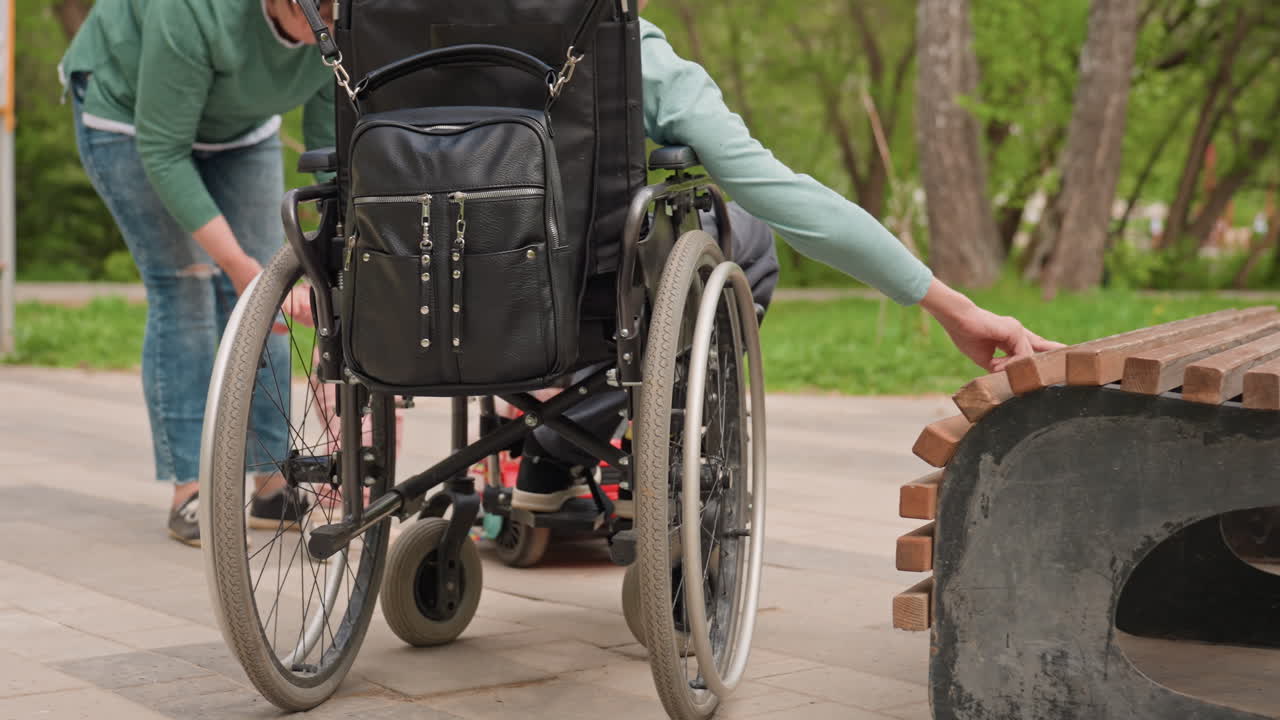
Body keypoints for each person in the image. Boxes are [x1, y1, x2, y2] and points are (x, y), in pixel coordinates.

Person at [508, 3, 1063, 512]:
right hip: (589, 288)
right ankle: (611, 443)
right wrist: (955, 308)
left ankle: (548, 451)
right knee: (745, 235)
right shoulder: (632, 57)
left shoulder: (422, 36)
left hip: (449, 298)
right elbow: (786, 198)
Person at [61, 0, 330, 546]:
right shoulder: (193, 8)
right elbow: (163, 149)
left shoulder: (342, 23)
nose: (330, 21)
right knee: (183, 283)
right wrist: (235, 264)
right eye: (317, 9)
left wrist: (325, 259)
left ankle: (273, 481)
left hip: (240, 126)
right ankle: (190, 491)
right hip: (130, 119)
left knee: (267, 291)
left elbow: (330, 154)